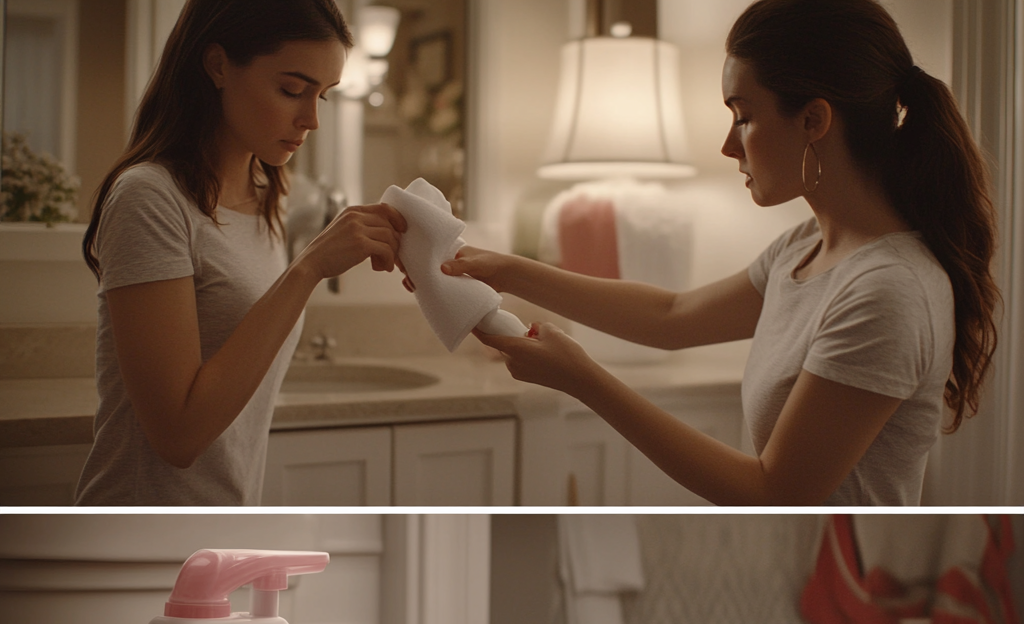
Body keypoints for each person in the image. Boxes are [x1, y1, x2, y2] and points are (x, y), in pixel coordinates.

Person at [441, 0, 998, 506]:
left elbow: (773, 491)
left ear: (814, 120)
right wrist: (506, 270)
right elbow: (673, 316)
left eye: (744, 115)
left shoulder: (887, 290)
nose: (729, 144)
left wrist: (584, 379)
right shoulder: (806, 247)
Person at [75, 0, 406, 505]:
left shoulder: (266, 195)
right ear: (218, 65)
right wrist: (310, 266)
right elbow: (179, 437)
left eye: (324, 95)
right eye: (292, 90)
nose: (312, 119)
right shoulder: (150, 197)